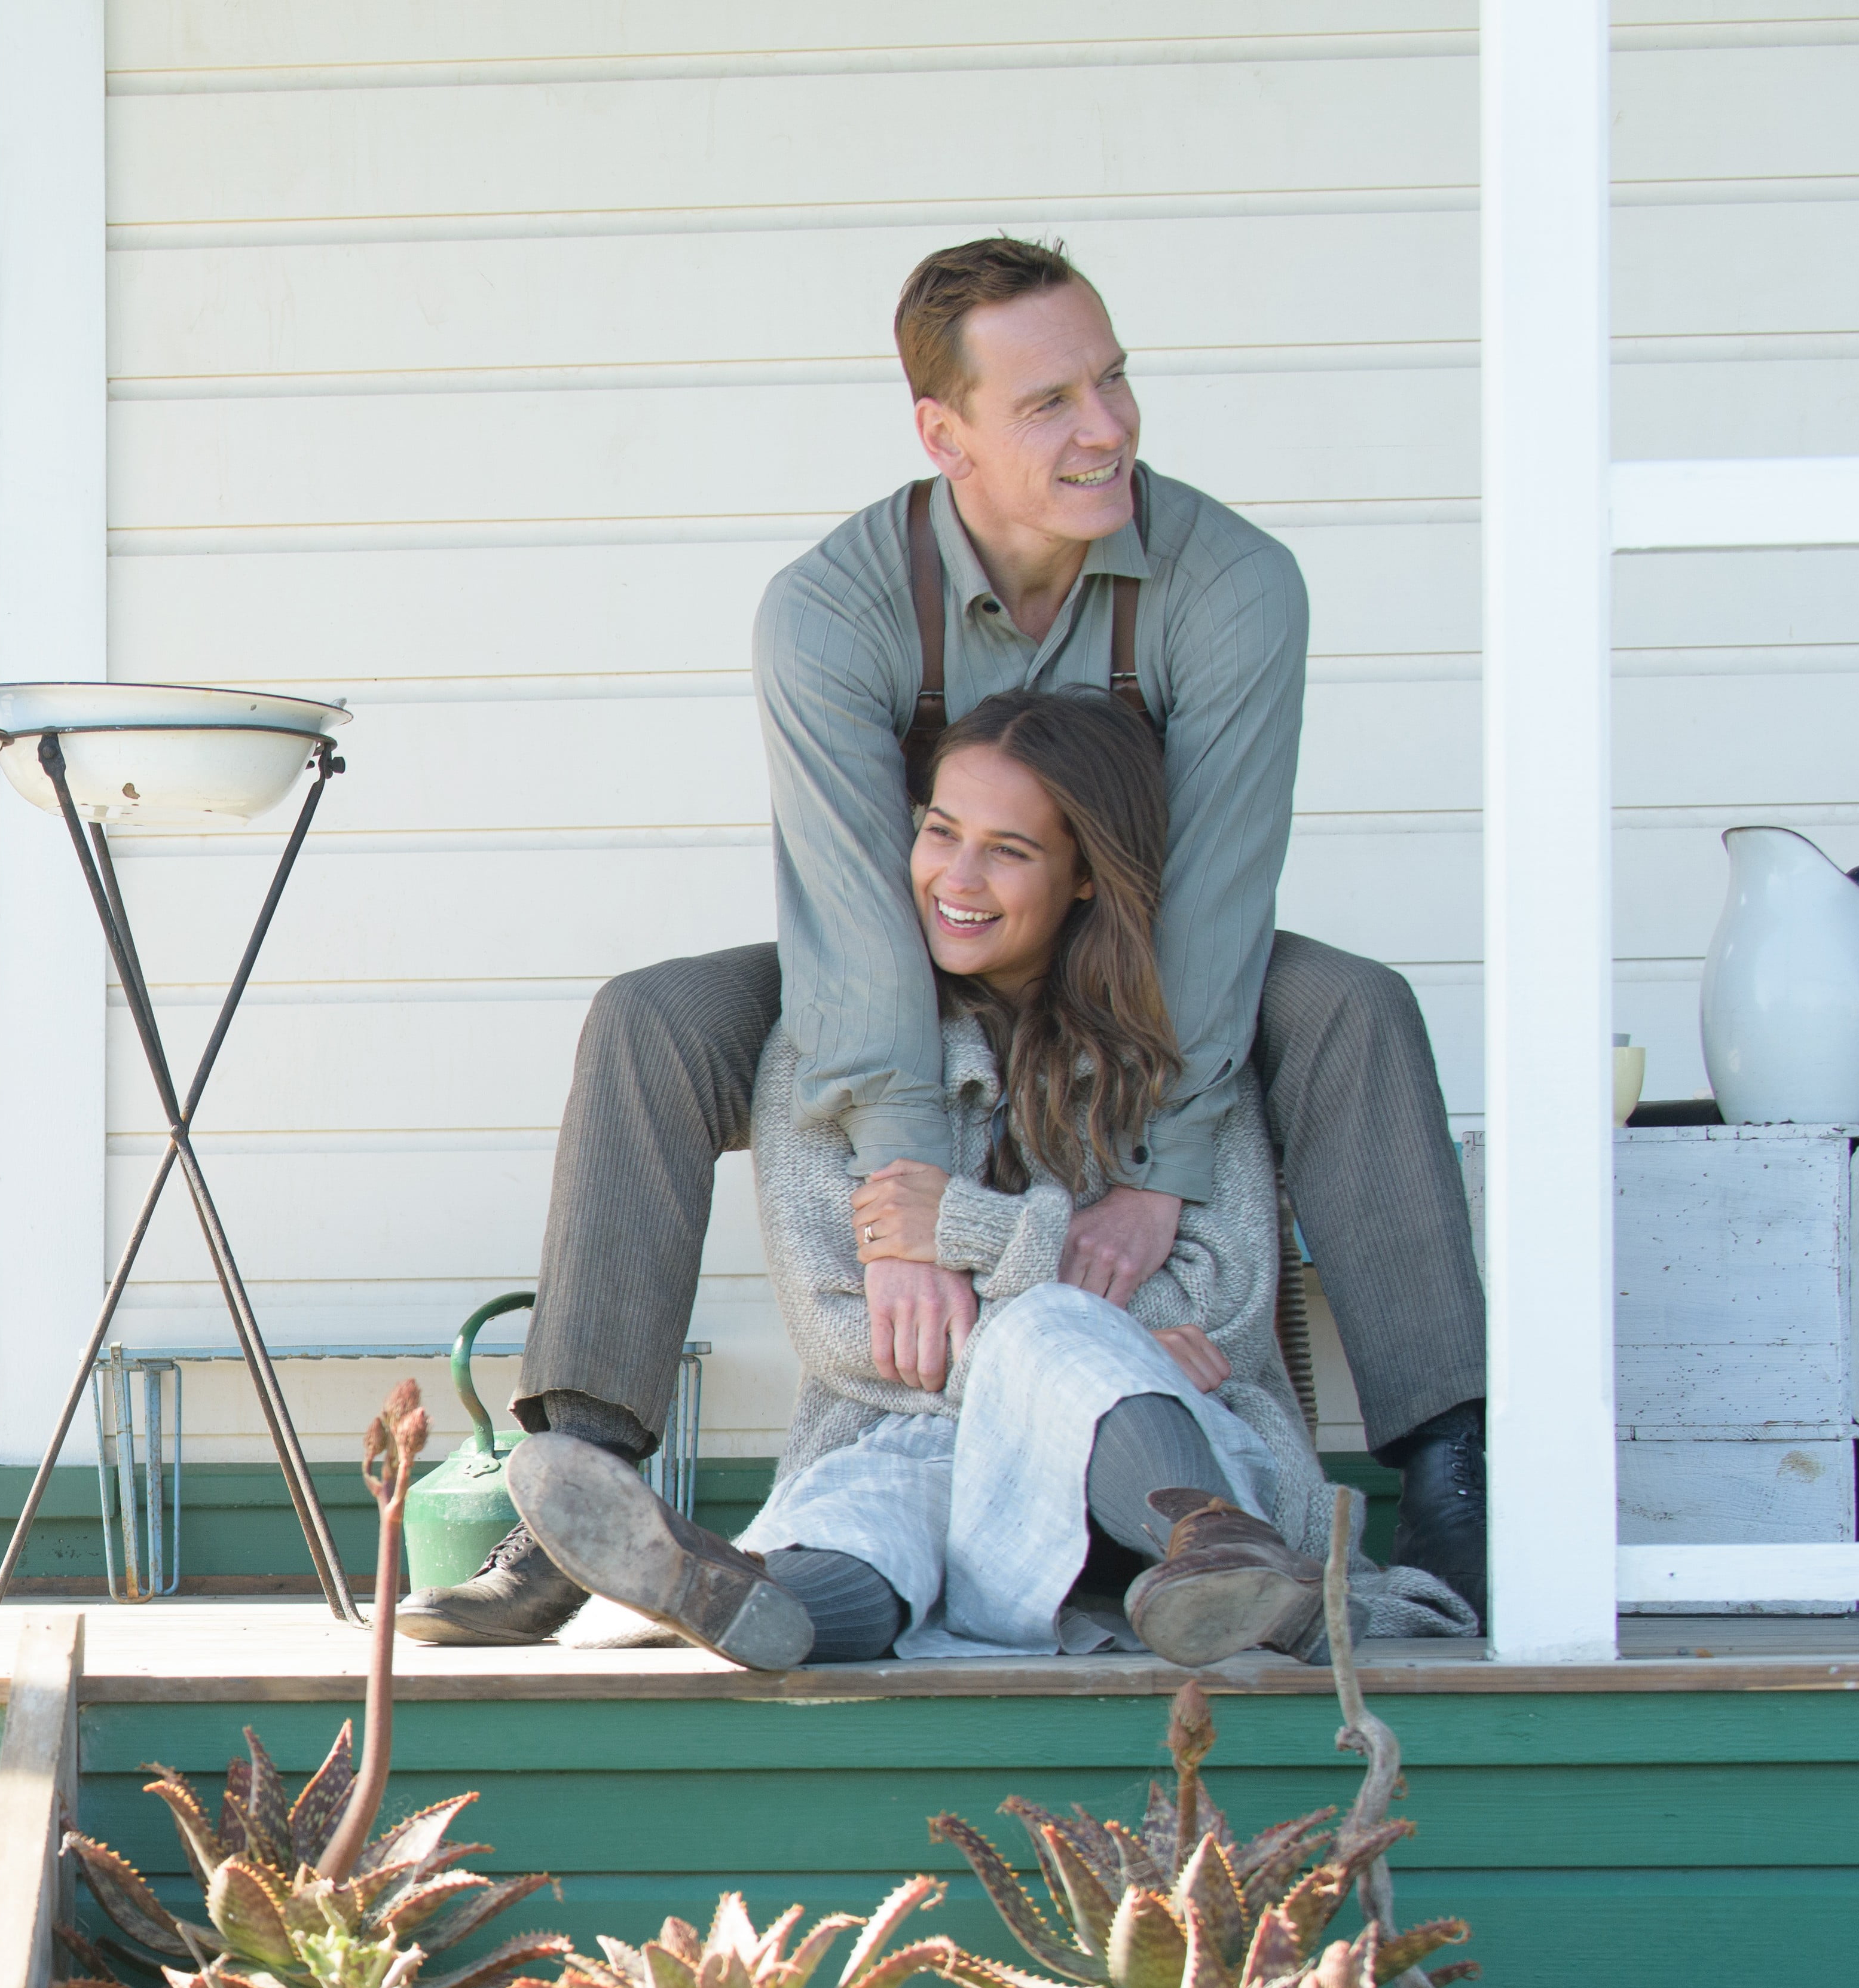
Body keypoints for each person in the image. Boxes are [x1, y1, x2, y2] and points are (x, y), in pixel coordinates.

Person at [406, 236, 1490, 1654]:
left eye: (1111, 381)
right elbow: (853, 911)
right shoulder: (834, 611)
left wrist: (1161, 1175)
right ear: (943, 433)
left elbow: (1217, 900)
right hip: (904, 949)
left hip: (1143, 960)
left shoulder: (1232, 588)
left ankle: (1455, 1474)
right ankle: (573, 1492)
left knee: (1350, 1005)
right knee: (651, 1018)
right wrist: (903, 1204)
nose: (1103, 427)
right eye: (1047, 402)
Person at [506, 687, 1469, 1668]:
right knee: (867, 1512)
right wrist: (1110, 1334)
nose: (957, 877)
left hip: (1175, 1449)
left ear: (1086, 876)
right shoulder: (823, 1043)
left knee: (1063, 1337)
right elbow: (846, 1329)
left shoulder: (1181, 1046)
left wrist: (968, 1233)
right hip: (916, 1445)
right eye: (940, 832)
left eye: (1009, 850)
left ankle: (1220, 1548)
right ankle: (745, 1595)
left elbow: (1222, 1303)